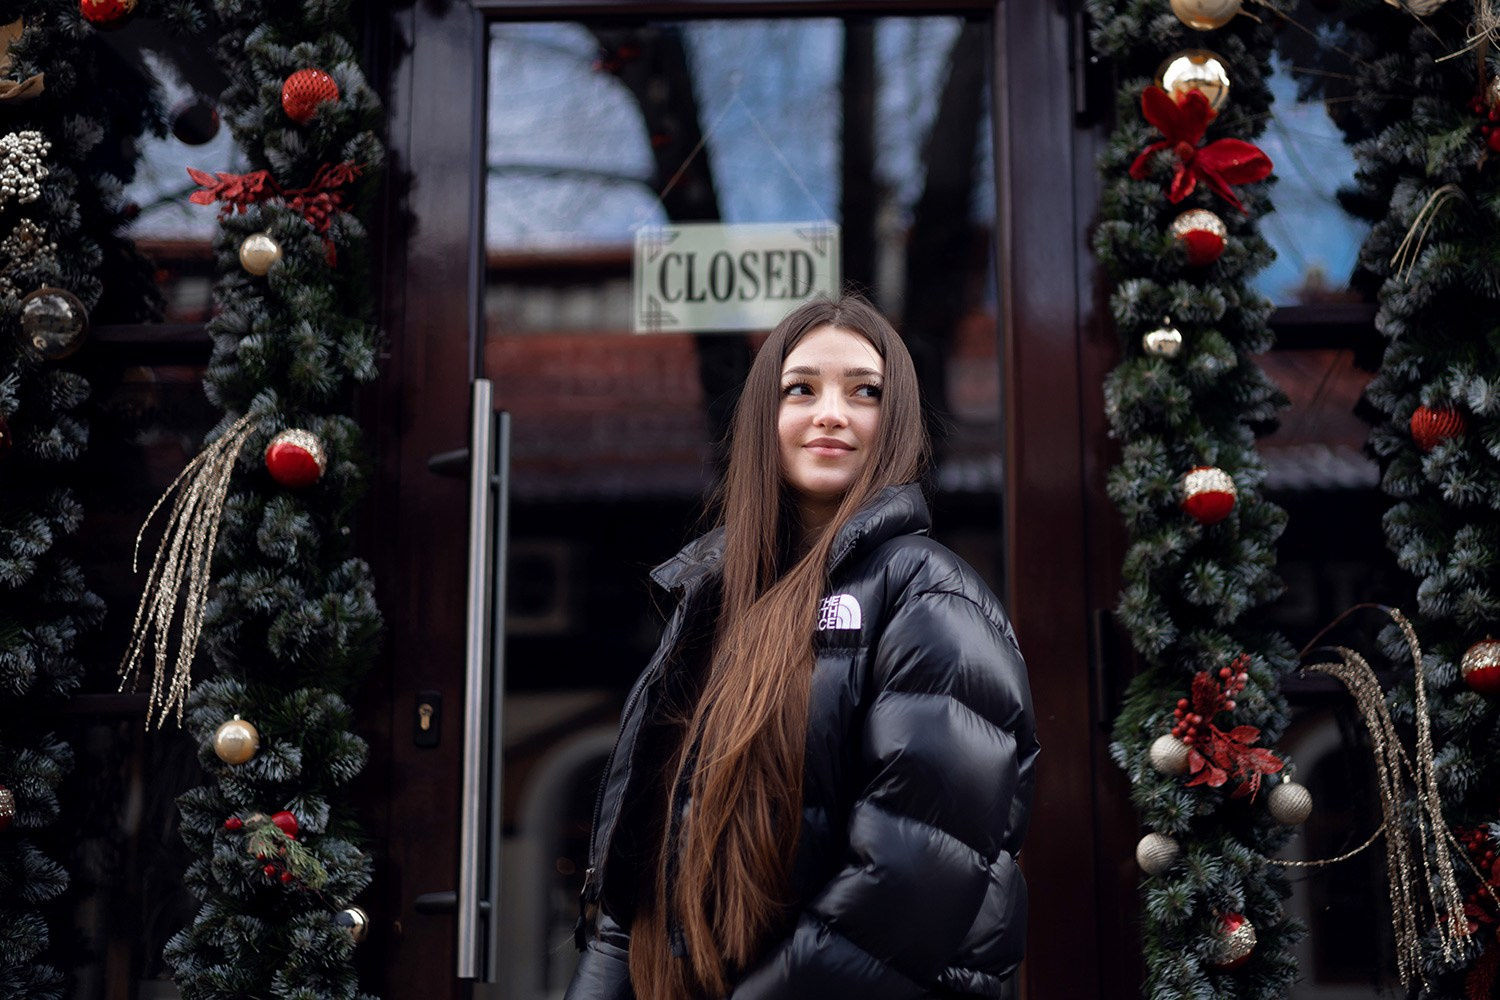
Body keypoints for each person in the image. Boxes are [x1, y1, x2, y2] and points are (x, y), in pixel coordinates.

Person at [565, 293, 1038, 1000]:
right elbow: (632, 877)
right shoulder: (711, 603)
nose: (831, 414)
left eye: (865, 392)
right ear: (765, 418)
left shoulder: (929, 594)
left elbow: (907, 881)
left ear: (897, 419)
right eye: (801, 389)